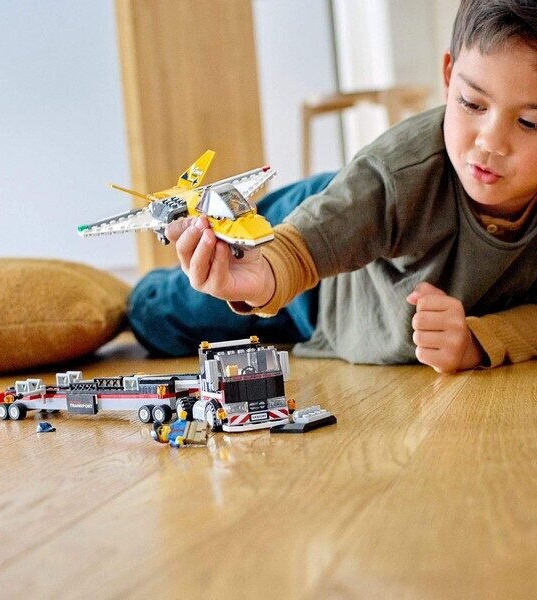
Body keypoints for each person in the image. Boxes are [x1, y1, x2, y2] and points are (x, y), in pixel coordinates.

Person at [129, 0, 536, 374]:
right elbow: (300, 246)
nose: (491, 143)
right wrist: (268, 272)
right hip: (314, 241)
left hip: (339, 308)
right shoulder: (398, 170)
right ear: (448, 77)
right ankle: (122, 296)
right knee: (162, 319)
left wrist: (478, 341)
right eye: (472, 103)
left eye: (530, 123)